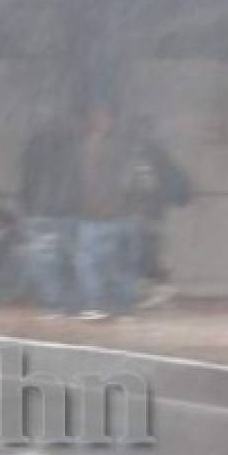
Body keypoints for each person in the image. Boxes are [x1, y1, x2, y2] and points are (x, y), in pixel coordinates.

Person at [70, 100, 140, 319]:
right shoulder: (122, 147)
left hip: (98, 215)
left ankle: (98, 305)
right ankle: (121, 306)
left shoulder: (87, 147)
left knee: (91, 263)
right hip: (113, 214)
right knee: (114, 264)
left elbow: (84, 182)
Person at [127, 115, 191, 309]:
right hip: (153, 212)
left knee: (146, 251)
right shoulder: (157, 153)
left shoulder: (143, 155)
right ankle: (156, 288)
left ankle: (157, 288)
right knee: (150, 250)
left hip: (144, 212)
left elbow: (145, 186)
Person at [20, 115, 81, 312]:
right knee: (68, 259)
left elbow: (27, 179)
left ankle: (54, 302)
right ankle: (70, 302)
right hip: (64, 211)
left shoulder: (35, 146)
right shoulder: (72, 147)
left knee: (45, 261)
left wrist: (28, 206)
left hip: (41, 210)